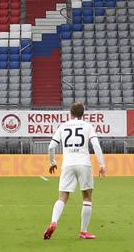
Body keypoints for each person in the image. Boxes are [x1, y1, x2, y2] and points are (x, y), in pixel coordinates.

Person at [45, 102, 106, 241]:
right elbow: (96, 145)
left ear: (70, 113)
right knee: (87, 197)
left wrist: (53, 162)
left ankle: (54, 221)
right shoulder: (88, 126)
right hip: (84, 163)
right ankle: (83, 232)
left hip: (67, 164)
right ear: (83, 113)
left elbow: (50, 146)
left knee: (62, 197)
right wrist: (102, 164)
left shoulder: (63, 126)